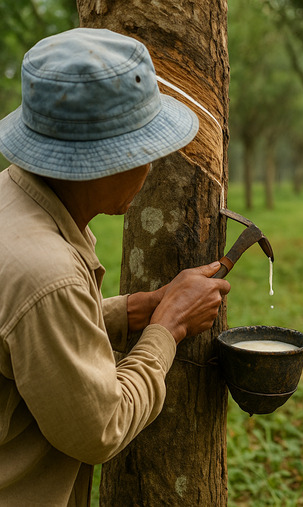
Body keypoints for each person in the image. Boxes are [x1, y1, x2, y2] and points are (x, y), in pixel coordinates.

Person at [0, 28, 231, 504]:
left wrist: (129, 312)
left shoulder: (12, 204)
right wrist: (167, 328)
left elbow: (22, 334)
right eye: (142, 150)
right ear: (99, 161)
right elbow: (99, 428)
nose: (150, 167)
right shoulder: (49, 274)